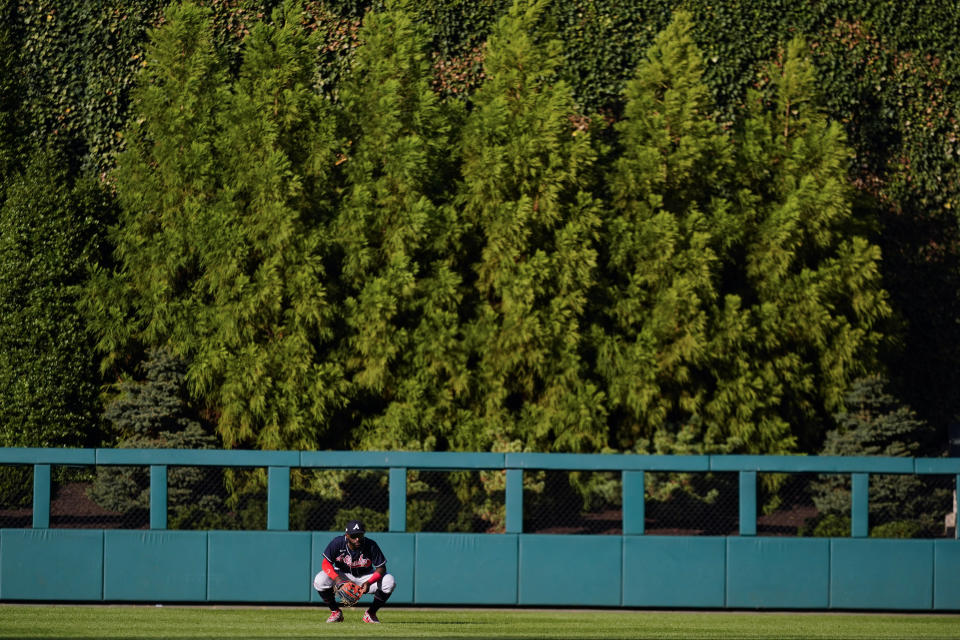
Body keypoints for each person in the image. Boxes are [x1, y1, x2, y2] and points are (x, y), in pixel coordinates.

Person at [313, 519, 396, 624]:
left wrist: (369, 582)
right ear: (347, 535)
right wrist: (338, 580)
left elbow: (381, 567)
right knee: (320, 580)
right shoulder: (337, 543)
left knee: (389, 581)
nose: (357, 539)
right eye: (353, 536)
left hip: (366, 576)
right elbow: (326, 563)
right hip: (343, 574)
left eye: (360, 535)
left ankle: (371, 614)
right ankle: (335, 612)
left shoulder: (371, 545)